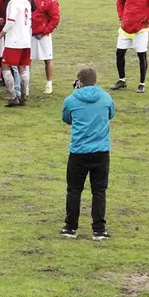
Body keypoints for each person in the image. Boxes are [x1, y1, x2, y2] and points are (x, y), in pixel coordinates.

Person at [60, 67, 115, 241]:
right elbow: (110, 114)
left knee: (74, 190)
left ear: (79, 82)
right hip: (101, 151)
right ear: (96, 81)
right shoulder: (106, 97)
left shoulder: (71, 100)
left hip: (78, 152)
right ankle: (99, 230)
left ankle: (70, 227)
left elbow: (67, 119)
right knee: (99, 191)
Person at [0, 0, 32, 107]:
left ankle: (14, 96)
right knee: (23, 68)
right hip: (26, 40)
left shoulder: (13, 3)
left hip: (14, 41)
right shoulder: (26, 2)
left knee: (5, 66)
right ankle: (24, 96)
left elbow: (11, 21)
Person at [31, 0, 61, 94]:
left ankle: (49, 84)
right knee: (27, 59)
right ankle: (25, 83)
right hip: (30, 32)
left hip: (42, 34)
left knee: (47, 59)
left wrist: (44, 32)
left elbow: (55, 19)